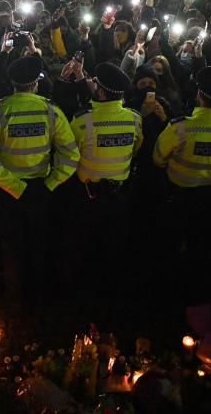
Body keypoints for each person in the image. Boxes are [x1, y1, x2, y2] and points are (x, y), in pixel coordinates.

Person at [0, 55, 79, 303]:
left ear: (12, 83)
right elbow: (71, 155)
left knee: (11, 245)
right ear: (36, 83)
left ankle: (15, 299)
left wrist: (15, 187)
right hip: (40, 189)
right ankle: (39, 296)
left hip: (8, 191)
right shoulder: (51, 110)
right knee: (39, 241)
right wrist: (51, 183)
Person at [153, 66, 211, 303]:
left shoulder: (180, 127)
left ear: (199, 95)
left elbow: (158, 158)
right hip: (210, 198)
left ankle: (167, 290)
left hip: (178, 197)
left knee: (172, 243)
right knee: (200, 245)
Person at [65, 62, 141, 290]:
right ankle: (110, 290)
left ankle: (81, 291)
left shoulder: (82, 120)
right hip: (119, 196)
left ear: (101, 91)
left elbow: (71, 154)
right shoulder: (134, 119)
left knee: (82, 248)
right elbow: (136, 149)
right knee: (113, 247)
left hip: (87, 197)